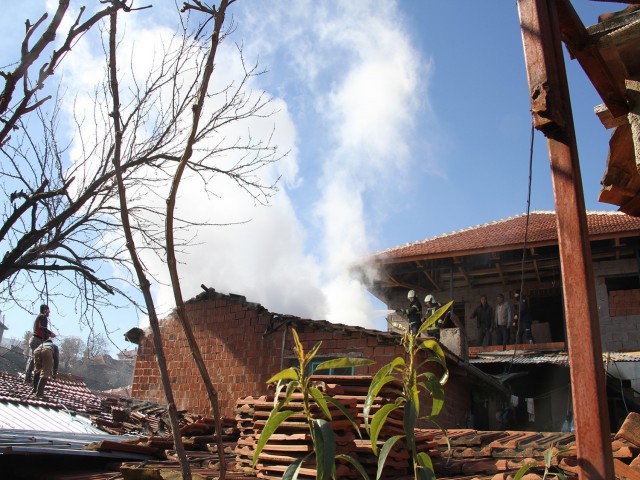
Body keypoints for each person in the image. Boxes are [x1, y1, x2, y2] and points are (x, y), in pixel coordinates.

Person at [25, 304, 55, 383]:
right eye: (48, 310)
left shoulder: (40, 317)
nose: (49, 312)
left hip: (36, 339)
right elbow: (43, 328)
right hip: (37, 340)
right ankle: (29, 377)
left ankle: (29, 376)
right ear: (45, 310)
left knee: (34, 359)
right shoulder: (43, 317)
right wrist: (49, 336)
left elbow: (43, 328)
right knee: (34, 359)